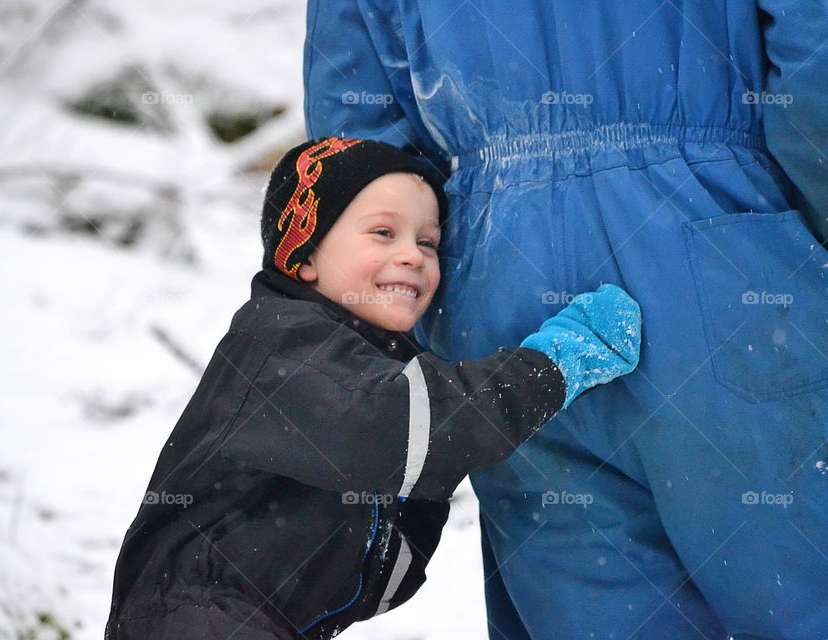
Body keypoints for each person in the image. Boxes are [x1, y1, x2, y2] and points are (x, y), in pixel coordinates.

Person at [303, 2, 828, 638]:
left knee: (598, 607)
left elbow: (356, 136)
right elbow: (814, 49)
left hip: (496, 287)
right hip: (725, 248)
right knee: (798, 594)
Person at [103, 137, 642, 640]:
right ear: (305, 256)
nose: (412, 255)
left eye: (428, 242)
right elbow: (406, 431)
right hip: (197, 615)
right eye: (384, 233)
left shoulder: (364, 359)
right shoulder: (281, 345)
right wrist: (556, 364)